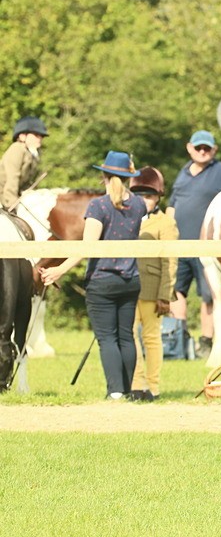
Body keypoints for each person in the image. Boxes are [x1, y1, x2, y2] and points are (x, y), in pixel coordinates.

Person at [40, 151, 145, 399]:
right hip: (130, 279)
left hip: (102, 280)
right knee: (126, 337)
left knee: (107, 339)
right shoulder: (139, 205)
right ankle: (126, 391)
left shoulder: (99, 206)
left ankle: (115, 392)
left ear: (104, 176)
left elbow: (87, 247)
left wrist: (59, 270)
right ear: (128, 177)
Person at [166, 130, 221, 358]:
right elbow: (172, 205)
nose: (202, 152)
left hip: (207, 248)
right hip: (179, 246)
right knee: (175, 293)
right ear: (189, 148)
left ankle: (206, 342)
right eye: (198, 147)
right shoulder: (183, 173)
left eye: (207, 148)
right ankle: (179, 339)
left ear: (214, 150)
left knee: (209, 296)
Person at [129, 167, 176, 401]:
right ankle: (137, 383)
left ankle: (153, 386)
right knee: (129, 335)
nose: (144, 201)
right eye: (139, 196)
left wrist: (165, 294)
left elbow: (170, 261)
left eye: (148, 196)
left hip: (152, 286)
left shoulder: (165, 222)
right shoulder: (126, 218)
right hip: (128, 284)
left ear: (158, 198)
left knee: (151, 336)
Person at [1, 116, 49, 238]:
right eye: (36, 135)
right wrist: (12, 206)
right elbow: (12, 179)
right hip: (4, 198)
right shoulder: (17, 149)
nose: (40, 139)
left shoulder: (33, 153)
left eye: (41, 136)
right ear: (22, 136)